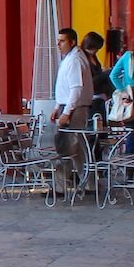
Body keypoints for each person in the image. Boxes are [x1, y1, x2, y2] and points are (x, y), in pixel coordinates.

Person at [51, 27, 93, 179]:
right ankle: (86, 181)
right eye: (58, 41)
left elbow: (76, 89)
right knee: (75, 148)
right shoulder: (69, 58)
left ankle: (62, 185)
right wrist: (57, 106)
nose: (59, 45)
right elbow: (65, 87)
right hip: (67, 106)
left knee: (67, 147)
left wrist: (66, 112)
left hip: (73, 109)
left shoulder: (74, 60)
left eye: (62, 41)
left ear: (72, 42)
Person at [82, 31, 113, 123]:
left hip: (100, 95)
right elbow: (90, 80)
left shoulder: (93, 56)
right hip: (92, 96)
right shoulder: (83, 58)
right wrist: (105, 73)